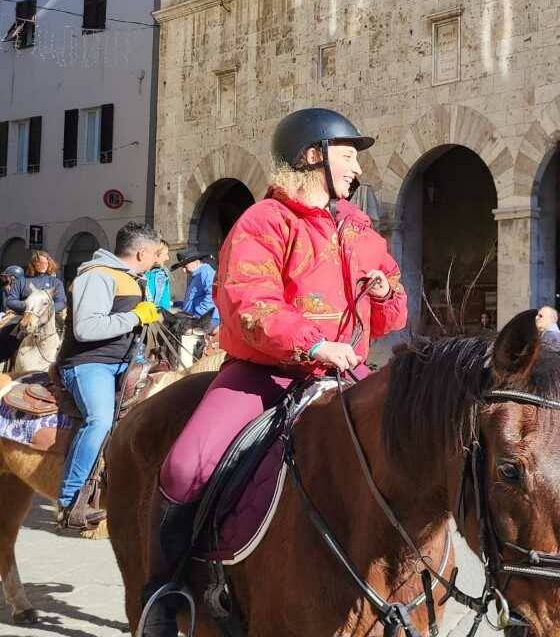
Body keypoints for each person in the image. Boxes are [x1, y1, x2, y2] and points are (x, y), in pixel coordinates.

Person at [138, 108, 407, 637]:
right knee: (184, 466)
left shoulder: (363, 231)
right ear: (314, 157)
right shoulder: (264, 222)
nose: (357, 169)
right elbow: (249, 303)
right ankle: (163, 594)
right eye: (348, 156)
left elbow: (395, 315)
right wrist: (314, 343)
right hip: (264, 375)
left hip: (346, 377)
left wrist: (386, 292)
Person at [54, 222, 166, 529]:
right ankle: (70, 501)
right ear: (141, 252)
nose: (159, 259)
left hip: (126, 363)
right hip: (90, 363)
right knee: (100, 419)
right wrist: (135, 316)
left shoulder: (132, 278)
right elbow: (86, 329)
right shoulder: (97, 275)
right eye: (156, 253)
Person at [172, 249, 219, 329]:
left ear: (195, 262)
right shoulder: (197, 275)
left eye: (185, 266)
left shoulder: (206, 271)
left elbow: (212, 294)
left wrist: (199, 314)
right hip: (199, 320)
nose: (184, 270)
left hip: (205, 321)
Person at [25, 250, 69, 332]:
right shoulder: (24, 281)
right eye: (39, 263)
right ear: (33, 264)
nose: (43, 266)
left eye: (45, 263)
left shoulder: (56, 282)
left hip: (51, 316)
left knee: (63, 330)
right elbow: (11, 301)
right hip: (27, 314)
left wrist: (47, 311)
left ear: (49, 264)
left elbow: (61, 302)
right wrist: (26, 306)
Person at [144, 242, 174, 311]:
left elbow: (165, 305)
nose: (167, 258)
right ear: (155, 255)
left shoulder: (162, 275)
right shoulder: (137, 273)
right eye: (165, 254)